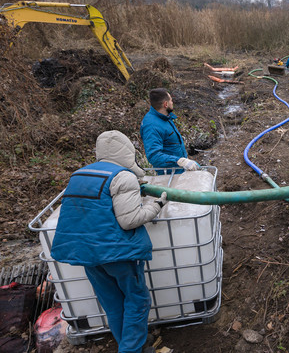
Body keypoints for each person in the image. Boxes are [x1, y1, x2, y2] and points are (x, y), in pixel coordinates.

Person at [51, 130, 167, 353]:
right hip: (116, 253)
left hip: (85, 253)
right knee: (137, 300)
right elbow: (129, 220)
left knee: (112, 303)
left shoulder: (79, 174)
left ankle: (129, 343)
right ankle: (133, 349)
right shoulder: (123, 176)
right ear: (127, 152)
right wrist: (156, 205)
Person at [140, 88, 200, 173]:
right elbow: (154, 156)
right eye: (171, 100)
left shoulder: (165, 117)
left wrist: (185, 160)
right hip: (169, 175)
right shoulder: (151, 126)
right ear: (165, 104)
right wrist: (179, 161)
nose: (172, 103)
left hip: (180, 169)